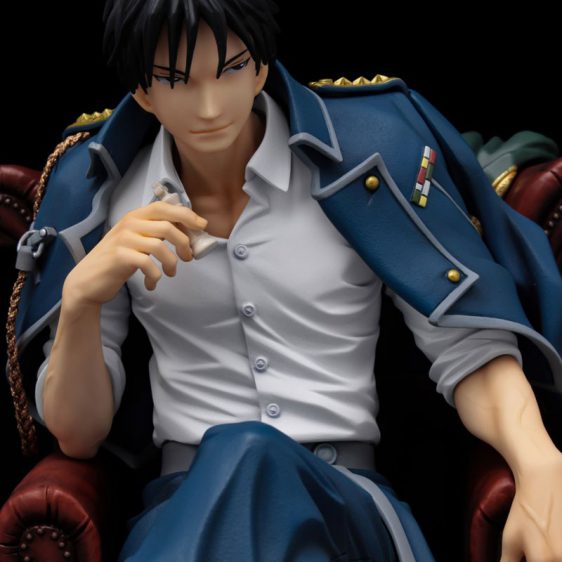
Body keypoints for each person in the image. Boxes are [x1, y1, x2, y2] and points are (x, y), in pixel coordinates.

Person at [11, 0, 562, 560]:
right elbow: (78, 435)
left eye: (230, 69)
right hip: (184, 509)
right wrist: (79, 300)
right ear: (143, 93)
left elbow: (465, 348)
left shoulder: (358, 169)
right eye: (177, 80)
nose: (209, 106)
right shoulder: (106, 199)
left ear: (260, 68)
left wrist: (540, 462)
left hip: (345, 507)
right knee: (243, 454)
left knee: (251, 451)